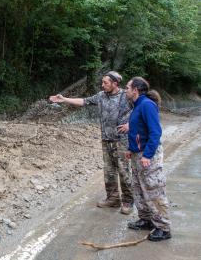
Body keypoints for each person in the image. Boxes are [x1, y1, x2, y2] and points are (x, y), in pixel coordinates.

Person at [49, 71, 133, 214]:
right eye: (102, 82)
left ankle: (128, 201)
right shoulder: (101, 96)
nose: (102, 85)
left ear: (115, 84)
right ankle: (113, 198)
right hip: (106, 139)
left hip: (122, 141)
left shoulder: (127, 96)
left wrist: (132, 124)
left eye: (105, 83)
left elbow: (143, 108)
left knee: (124, 172)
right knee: (109, 171)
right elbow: (84, 101)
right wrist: (64, 99)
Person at [125, 77, 171, 241]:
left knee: (153, 189)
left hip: (148, 154)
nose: (126, 90)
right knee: (138, 188)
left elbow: (155, 132)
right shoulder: (137, 106)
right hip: (138, 154)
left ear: (135, 89)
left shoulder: (146, 105)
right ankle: (146, 220)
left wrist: (147, 155)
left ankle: (163, 228)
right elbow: (137, 130)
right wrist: (131, 149)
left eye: (128, 87)